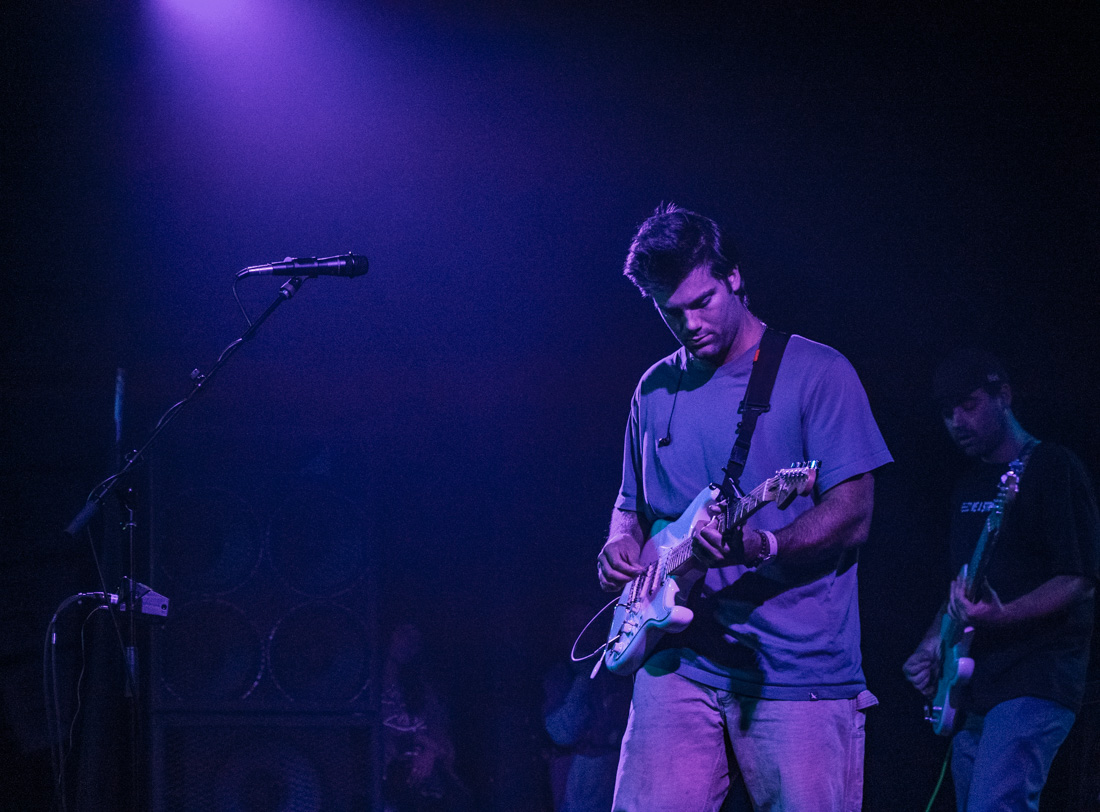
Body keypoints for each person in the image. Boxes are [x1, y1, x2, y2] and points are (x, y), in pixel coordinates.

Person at [596, 203, 893, 811]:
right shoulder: (653, 387)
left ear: (733, 276)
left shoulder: (818, 372)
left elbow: (855, 511)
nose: (689, 323)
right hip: (675, 657)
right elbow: (631, 504)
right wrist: (618, 544)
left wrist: (766, 545)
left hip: (795, 669)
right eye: (670, 311)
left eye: (701, 301)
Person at [903, 349, 1100, 812]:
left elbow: (1079, 578)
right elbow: (963, 582)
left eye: (968, 405)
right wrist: (933, 644)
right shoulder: (970, 484)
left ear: (1003, 395)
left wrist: (1005, 615)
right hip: (973, 684)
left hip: (1037, 676)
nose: (956, 421)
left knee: (996, 804)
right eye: (947, 411)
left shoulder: (1053, 467)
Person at [381, 623, 471, 812]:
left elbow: (441, 733)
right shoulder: (366, 684)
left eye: (415, 641)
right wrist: (417, 741)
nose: (408, 643)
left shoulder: (423, 689)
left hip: (428, 776)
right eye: (404, 634)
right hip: (387, 775)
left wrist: (431, 752)